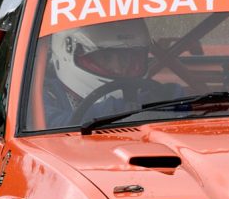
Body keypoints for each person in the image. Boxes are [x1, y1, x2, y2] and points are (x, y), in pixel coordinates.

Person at [42, 19, 179, 127]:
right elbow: (51, 126)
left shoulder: (149, 93)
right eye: (105, 58)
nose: (118, 68)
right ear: (67, 54)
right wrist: (120, 109)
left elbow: (179, 101)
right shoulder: (44, 97)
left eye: (126, 58)